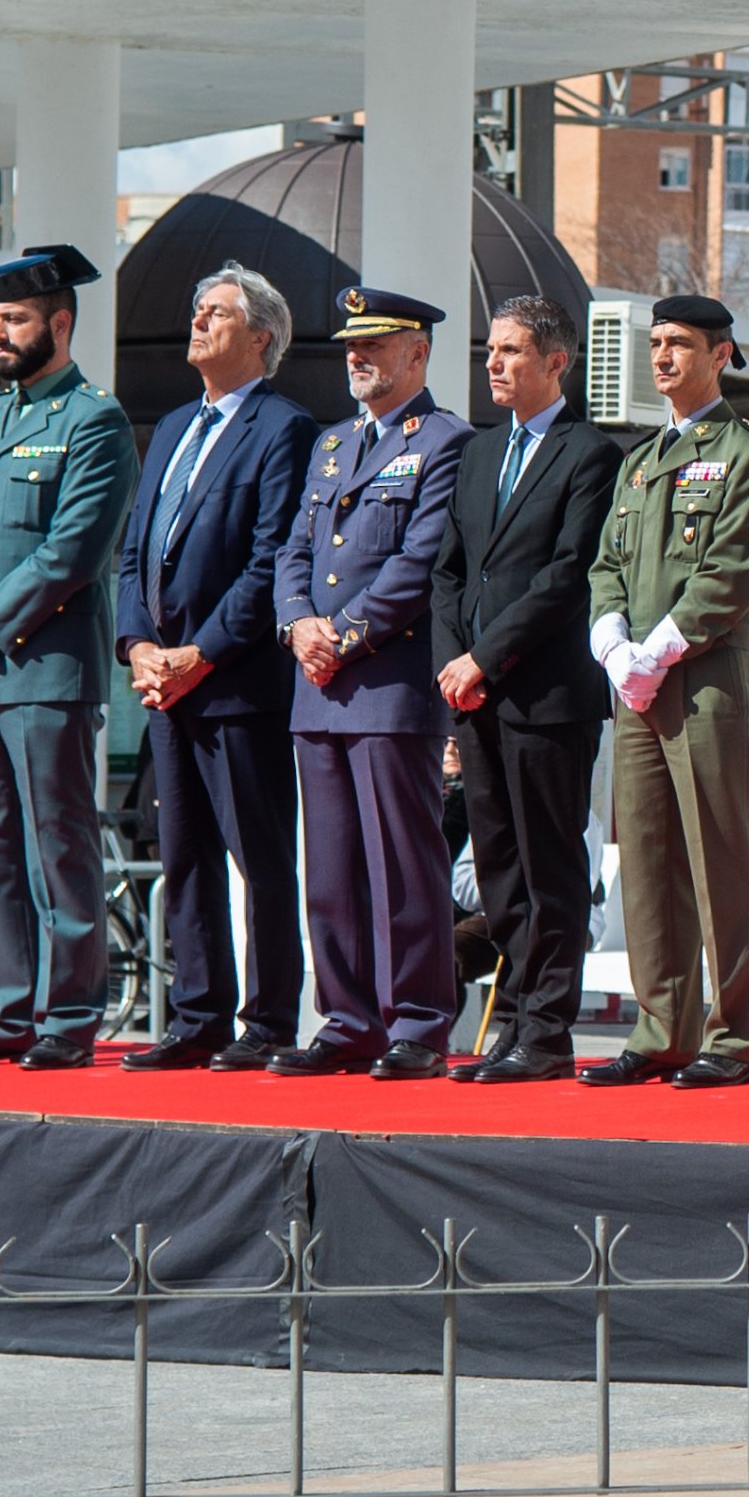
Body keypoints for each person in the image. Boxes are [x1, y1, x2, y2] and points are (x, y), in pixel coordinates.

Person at [0, 244, 137, 1071]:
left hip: (42, 666)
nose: (0, 334)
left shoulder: (94, 419)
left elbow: (74, 548)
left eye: (14, 320)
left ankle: (69, 1013)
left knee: (58, 844)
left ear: (60, 321)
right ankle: (7, 1010)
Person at [581, 294, 749, 1087]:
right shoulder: (638, 461)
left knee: (723, 857)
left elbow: (736, 572)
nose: (662, 356)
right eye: (657, 343)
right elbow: (607, 564)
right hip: (635, 685)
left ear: (721, 354)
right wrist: (611, 645)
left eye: (680, 344)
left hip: (703, 680)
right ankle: (662, 1027)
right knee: (648, 857)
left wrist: (659, 648)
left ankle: (733, 1039)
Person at [114, 263, 319, 1071]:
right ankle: (195, 1014)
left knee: (259, 856)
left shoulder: (283, 427)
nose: (197, 322)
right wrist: (139, 647)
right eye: (197, 310)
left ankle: (267, 1020)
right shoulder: (169, 428)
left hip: (234, 684)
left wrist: (200, 653)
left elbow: (271, 560)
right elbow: (135, 556)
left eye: (217, 313)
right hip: (163, 683)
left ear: (261, 337)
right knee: (184, 852)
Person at [274, 286, 471, 1077]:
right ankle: (347, 1017)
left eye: (375, 344)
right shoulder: (329, 446)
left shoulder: (444, 440)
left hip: (388, 685)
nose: (357, 357)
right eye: (351, 345)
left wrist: (342, 635)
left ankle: (418, 1022)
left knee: (401, 863)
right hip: (319, 688)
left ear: (416, 353)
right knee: (329, 869)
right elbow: (294, 550)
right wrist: (298, 624)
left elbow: (418, 563)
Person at [436, 294, 626, 1081]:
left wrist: (484, 657)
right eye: (491, 348)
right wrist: (454, 664)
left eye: (512, 350)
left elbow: (567, 577)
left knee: (550, 870)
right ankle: (512, 1019)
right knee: (502, 869)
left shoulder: (589, 454)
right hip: (475, 696)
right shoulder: (480, 453)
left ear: (557, 362)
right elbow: (450, 568)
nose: (493, 362)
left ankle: (546, 1030)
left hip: (546, 695)